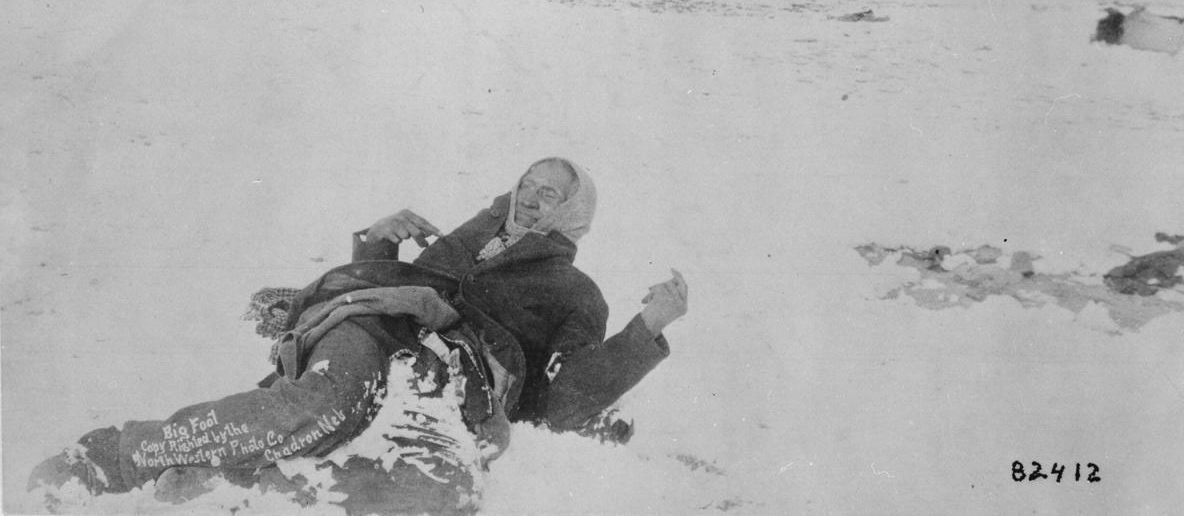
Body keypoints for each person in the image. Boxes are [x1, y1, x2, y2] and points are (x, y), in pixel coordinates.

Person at [28, 157, 690, 512]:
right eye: (529, 184)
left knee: (441, 494)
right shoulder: (467, 234)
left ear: (574, 215)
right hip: (379, 334)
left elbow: (565, 400)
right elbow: (390, 292)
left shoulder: (577, 294)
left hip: (454, 388)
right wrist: (377, 242)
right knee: (325, 405)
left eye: (552, 194)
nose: (533, 197)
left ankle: (223, 487)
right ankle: (108, 459)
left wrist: (645, 332)